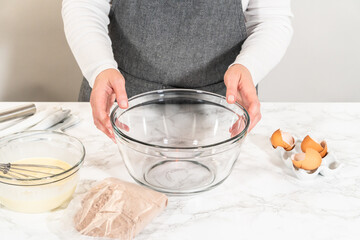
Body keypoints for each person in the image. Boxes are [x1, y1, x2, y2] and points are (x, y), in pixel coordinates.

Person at [62, 0, 293, 140]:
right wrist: (99, 67)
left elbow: (271, 20)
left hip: (222, 116)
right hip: (119, 107)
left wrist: (249, 66)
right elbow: (84, 5)